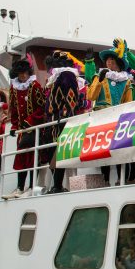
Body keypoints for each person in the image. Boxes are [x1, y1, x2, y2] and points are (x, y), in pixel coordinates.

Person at [85, 44, 135, 185]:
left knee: (120, 150)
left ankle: (122, 179)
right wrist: (99, 80)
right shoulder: (100, 76)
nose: (108, 62)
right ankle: (105, 180)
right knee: (103, 151)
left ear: (119, 63)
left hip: (119, 121)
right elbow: (91, 96)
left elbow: (129, 104)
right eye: (107, 59)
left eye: (112, 59)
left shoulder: (126, 81)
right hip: (102, 120)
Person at [41, 51, 84, 194]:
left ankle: (58, 185)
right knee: (51, 152)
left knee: (58, 152)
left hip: (61, 120)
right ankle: (56, 184)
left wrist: (65, 114)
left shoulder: (67, 75)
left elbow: (72, 96)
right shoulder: (57, 76)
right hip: (53, 120)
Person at [6, 59, 45, 198]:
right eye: (20, 73)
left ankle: (32, 186)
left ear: (29, 73)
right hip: (22, 131)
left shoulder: (35, 86)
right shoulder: (14, 88)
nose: (23, 75)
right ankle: (20, 187)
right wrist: (14, 125)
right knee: (21, 158)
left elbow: (42, 107)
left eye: (25, 73)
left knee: (34, 157)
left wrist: (30, 121)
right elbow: (14, 109)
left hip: (35, 128)